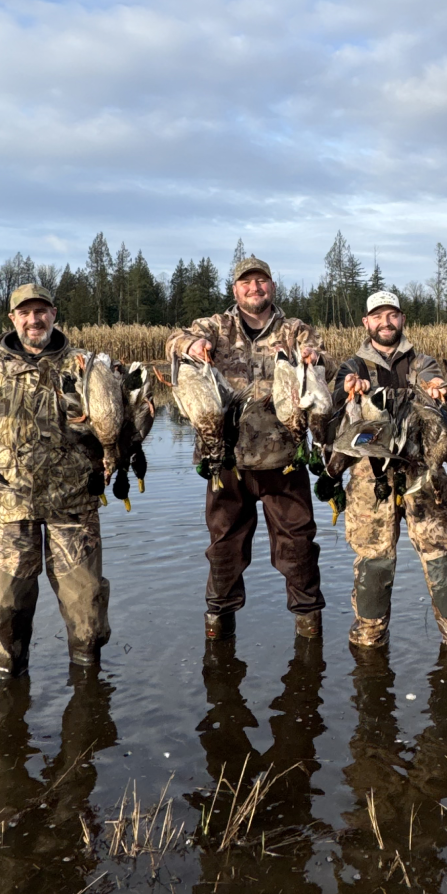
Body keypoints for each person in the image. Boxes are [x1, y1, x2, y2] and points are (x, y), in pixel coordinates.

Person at [0, 284, 111, 676]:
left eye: (42, 311)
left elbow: (117, 417)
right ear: (13, 318)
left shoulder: (85, 366)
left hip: (74, 505)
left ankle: (88, 691)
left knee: (86, 610)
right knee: (8, 613)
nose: (34, 320)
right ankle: (8, 690)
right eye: (25, 312)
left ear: (55, 313)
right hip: (7, 505)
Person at [166, 255, 327, 642]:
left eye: (261, 282)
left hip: (283, 459)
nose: (255, 289)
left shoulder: (295, 330)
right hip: (226, 460)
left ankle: (308, 626)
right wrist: (191, 343)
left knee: (298, 545)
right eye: (246, 283)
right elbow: (172, 340)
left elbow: (322, 360)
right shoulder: (216, 327)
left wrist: (313, 358)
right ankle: (218, 626)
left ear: (272, 286)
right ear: (235, 289)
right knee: (224, 547)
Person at [333, 290, 447, 648]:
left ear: (402, 319)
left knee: (442, 553)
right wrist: (352, 390)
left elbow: (434, 380)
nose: (385, 322)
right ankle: (369, 641)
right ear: (366, 322)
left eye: (392, 315)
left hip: (423, 471)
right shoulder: (353, 366)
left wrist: (437, 387)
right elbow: (337, 404)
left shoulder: (422, 361)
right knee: (374, 558)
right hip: (370, 475)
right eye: (377, 316)